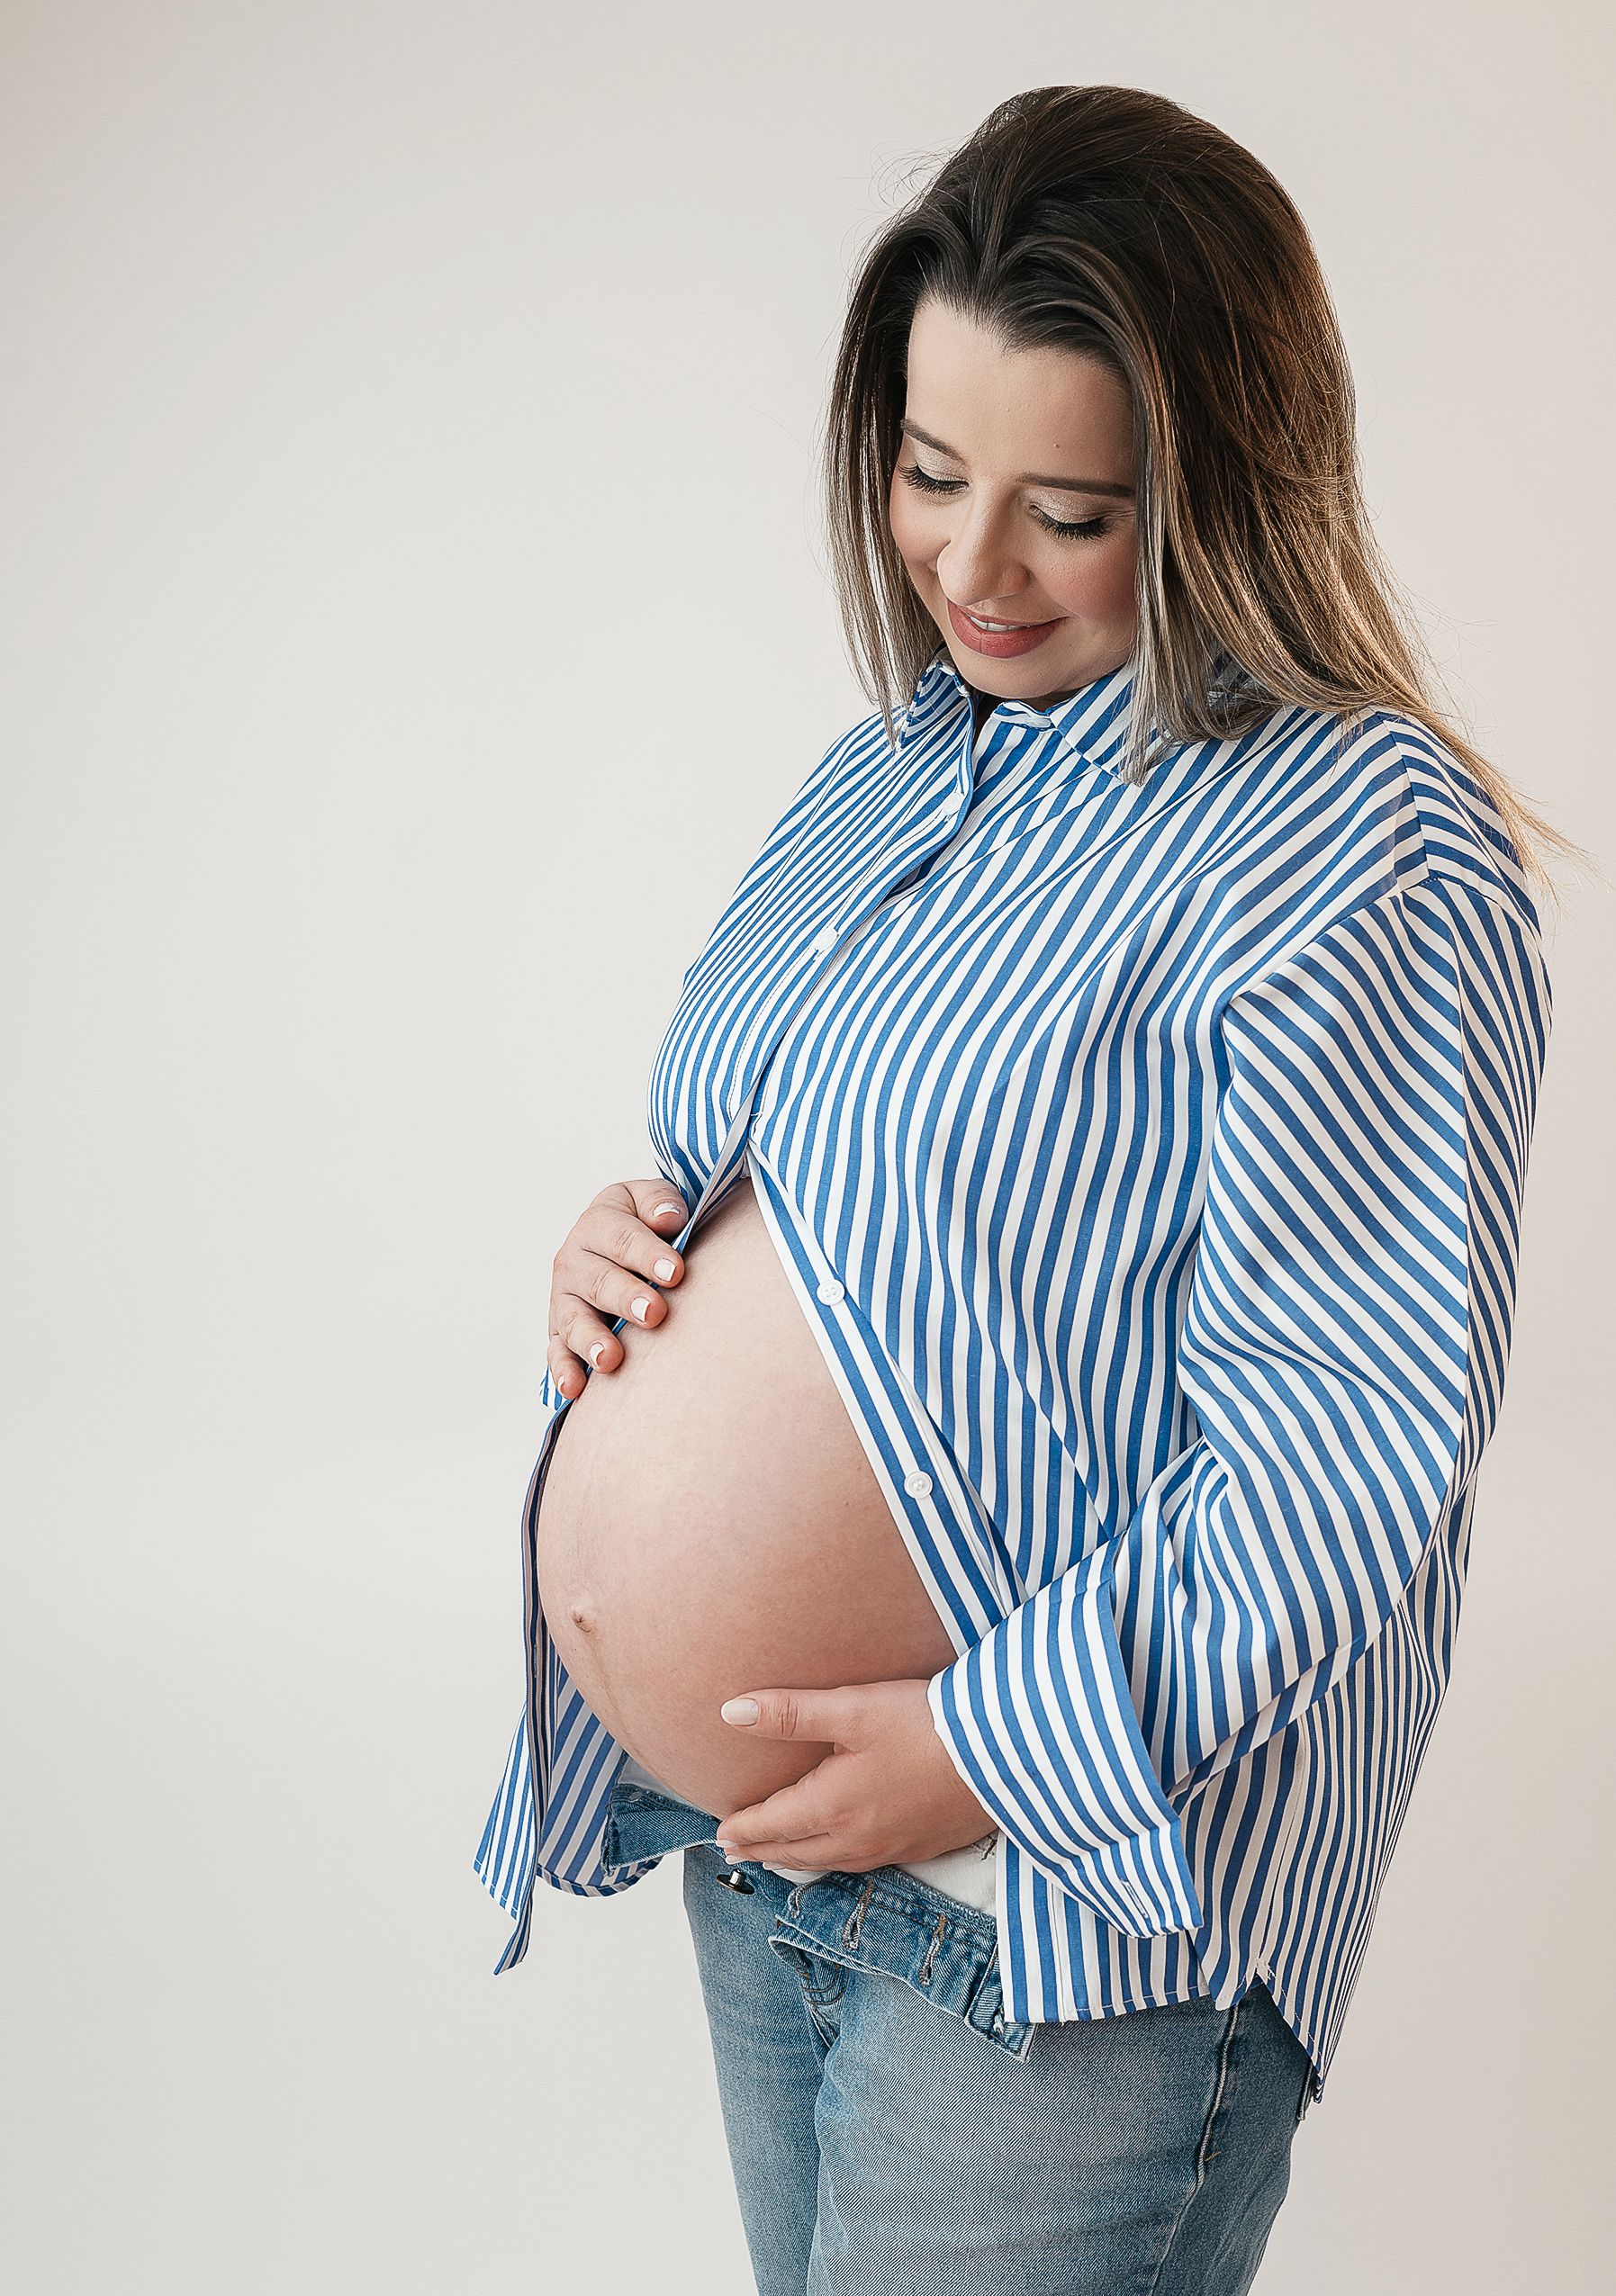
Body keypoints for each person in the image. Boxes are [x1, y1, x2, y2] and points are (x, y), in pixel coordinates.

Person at [475, 85, 1571, 2294]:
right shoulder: (887, 769)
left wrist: (978, 1753)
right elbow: (827, 1210)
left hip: (1054, 1926)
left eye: (1068, 511)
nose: (969, 568)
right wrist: (624, 1257)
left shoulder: (1355, 836)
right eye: (924, 471)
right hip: (762, 1855)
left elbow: (1352, 1443)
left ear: (1223, 489)